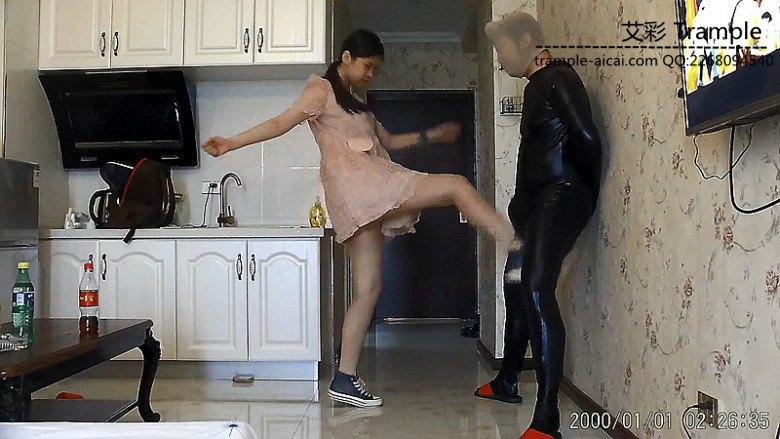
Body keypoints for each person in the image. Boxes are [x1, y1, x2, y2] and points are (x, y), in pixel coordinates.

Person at [203, 29, 523, 409]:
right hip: (363, 189)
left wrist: (433, 135)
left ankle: (344, 378)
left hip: (361, 199)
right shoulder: (320, 90)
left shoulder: (357, 105)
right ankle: (513, 244)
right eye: (368, 66)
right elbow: (281, 122)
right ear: (347, 58)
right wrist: (232, 143)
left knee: (368, 290)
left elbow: (391, 143)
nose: (371, 74)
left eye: (375, 69)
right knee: (456, 185)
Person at [473, 10, 603, 439]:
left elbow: (587, 138)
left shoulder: (558, 78)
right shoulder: (537, 86)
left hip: (559, 198)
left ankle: (547, 420)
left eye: (502, 48)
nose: (499, 58)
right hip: (535, 208)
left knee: (534, 287)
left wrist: (575, 191)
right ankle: (508, 380)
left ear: (526, 41)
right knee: (516, 286)